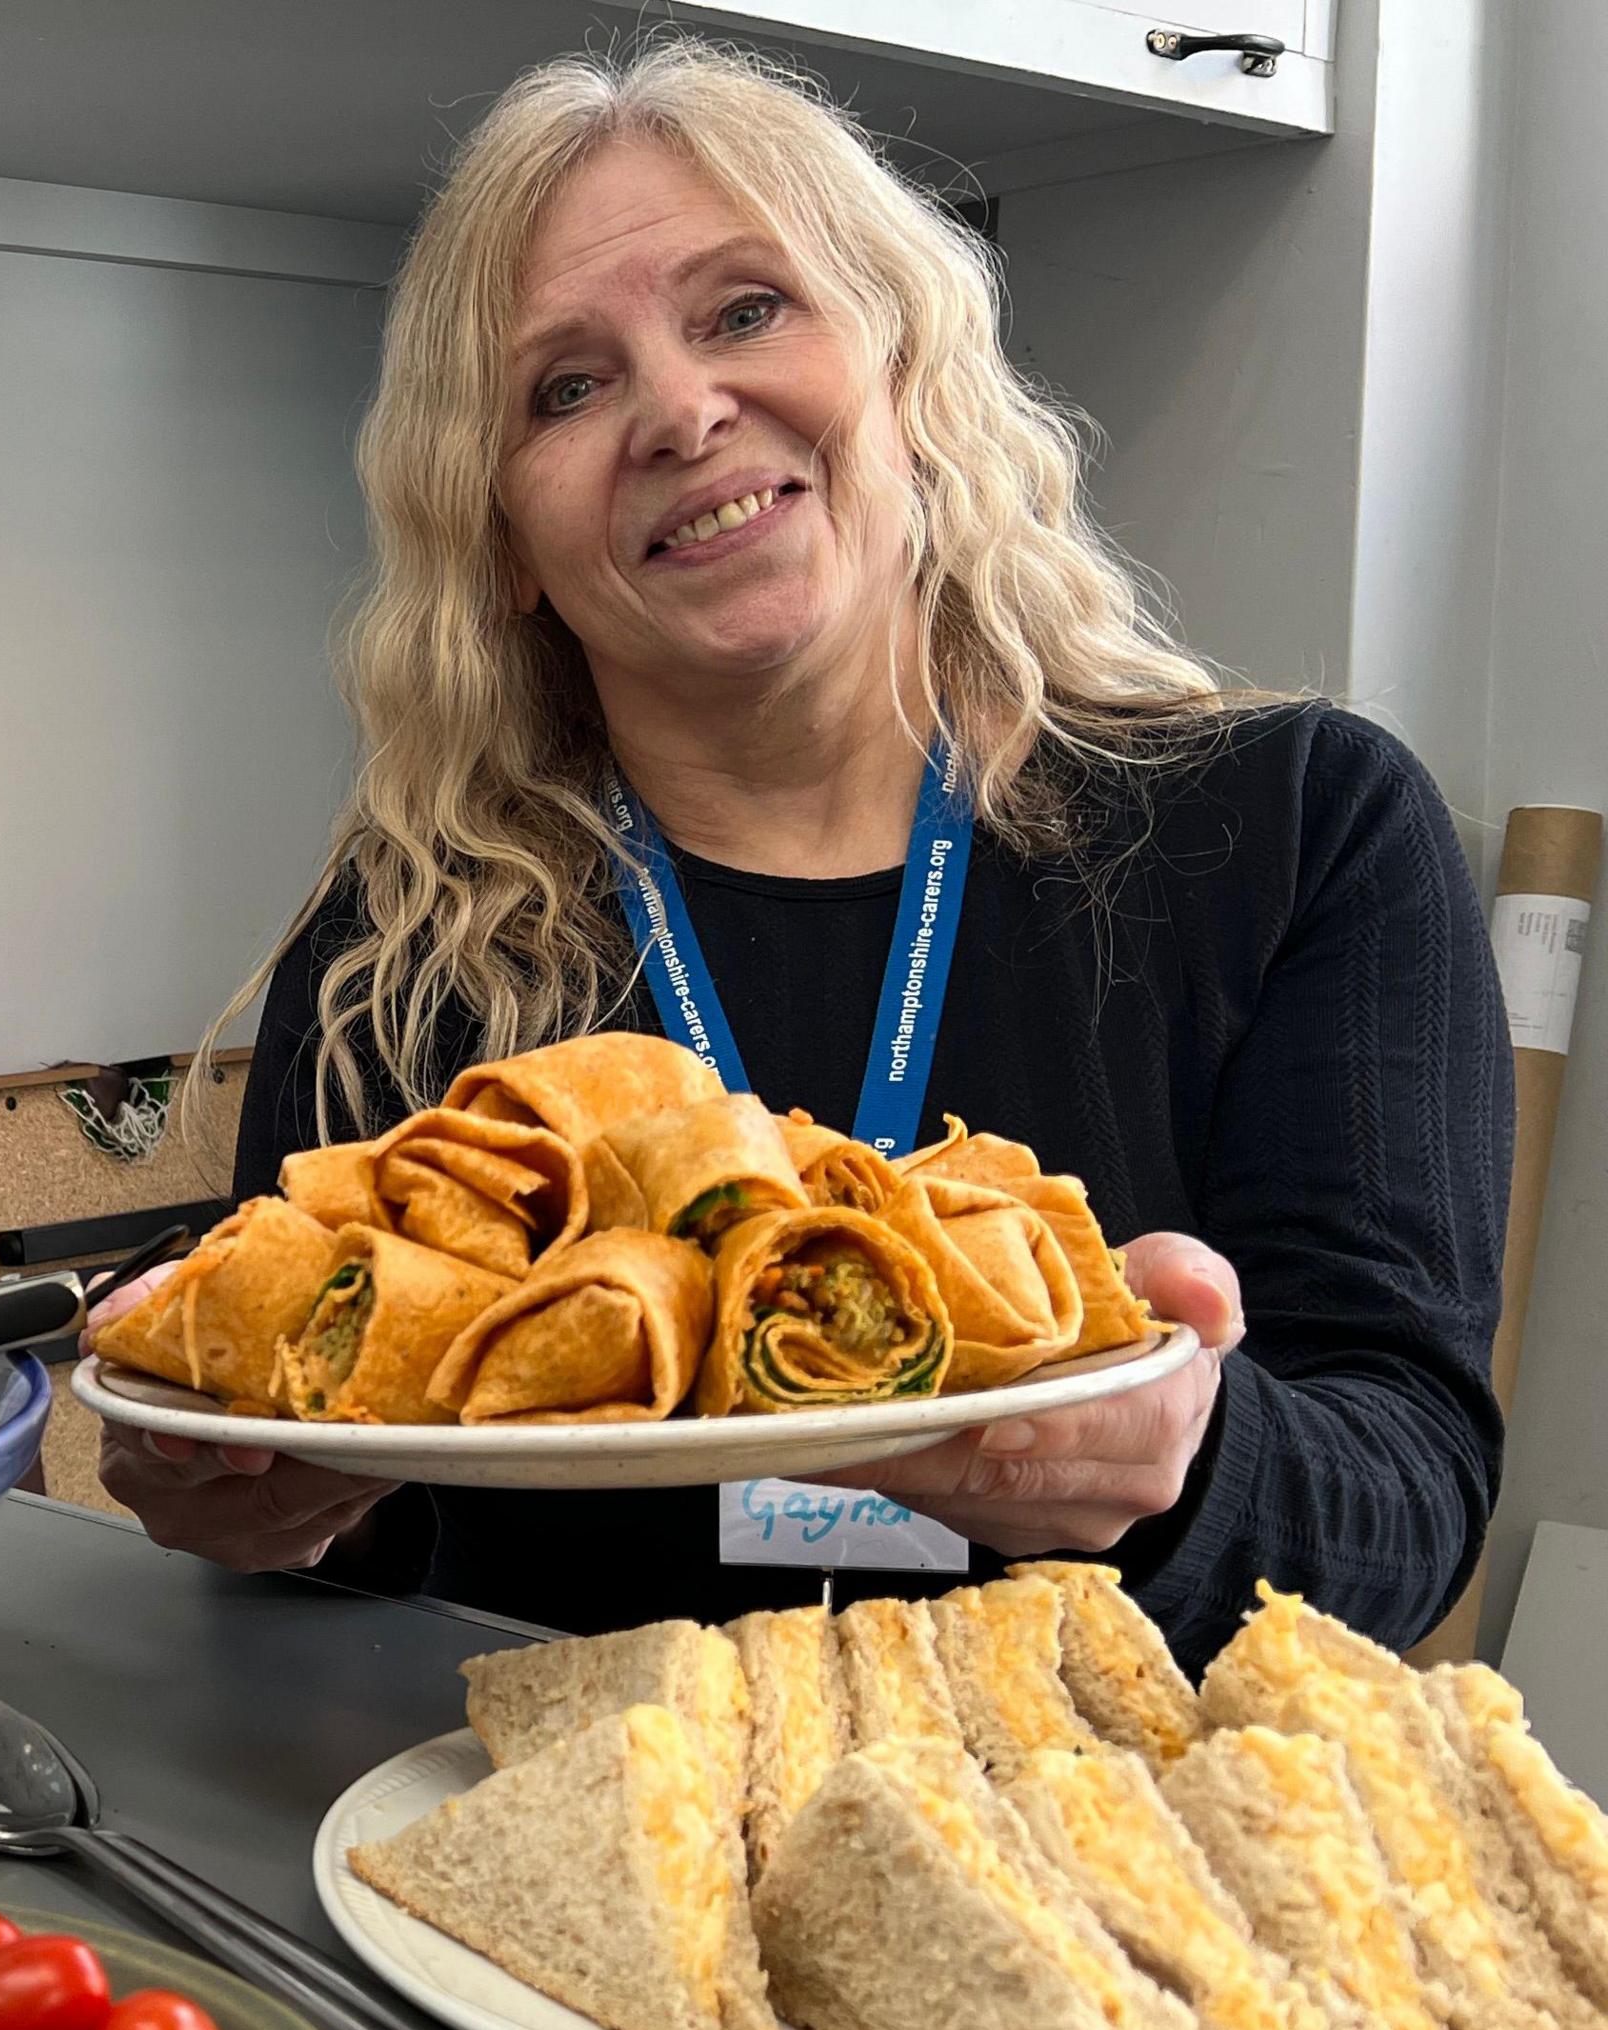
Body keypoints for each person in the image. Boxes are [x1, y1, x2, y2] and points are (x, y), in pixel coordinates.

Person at [94, 41, 1510, 1665]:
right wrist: (271, 1501)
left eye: (746, 309)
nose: (684, 411)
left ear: (910, 371)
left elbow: (1408, 1496)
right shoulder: (405, 951)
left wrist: (1181, 1462)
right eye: (567, 385)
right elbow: (355, 1540)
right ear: (503, 553)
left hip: (1099, 1856)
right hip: (548, 1850)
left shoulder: (1303, 831)